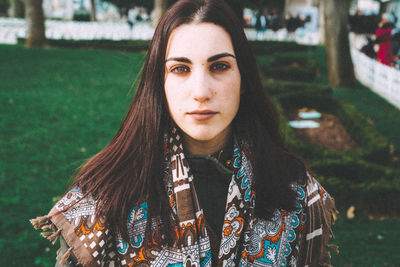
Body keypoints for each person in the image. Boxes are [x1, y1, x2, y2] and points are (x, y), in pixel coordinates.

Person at [30, 0, 337, 266]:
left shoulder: (296, 193)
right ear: (159, 84)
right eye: (180, 69)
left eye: (219, 67)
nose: (201, 92)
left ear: (243, 80)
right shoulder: (104, 199)